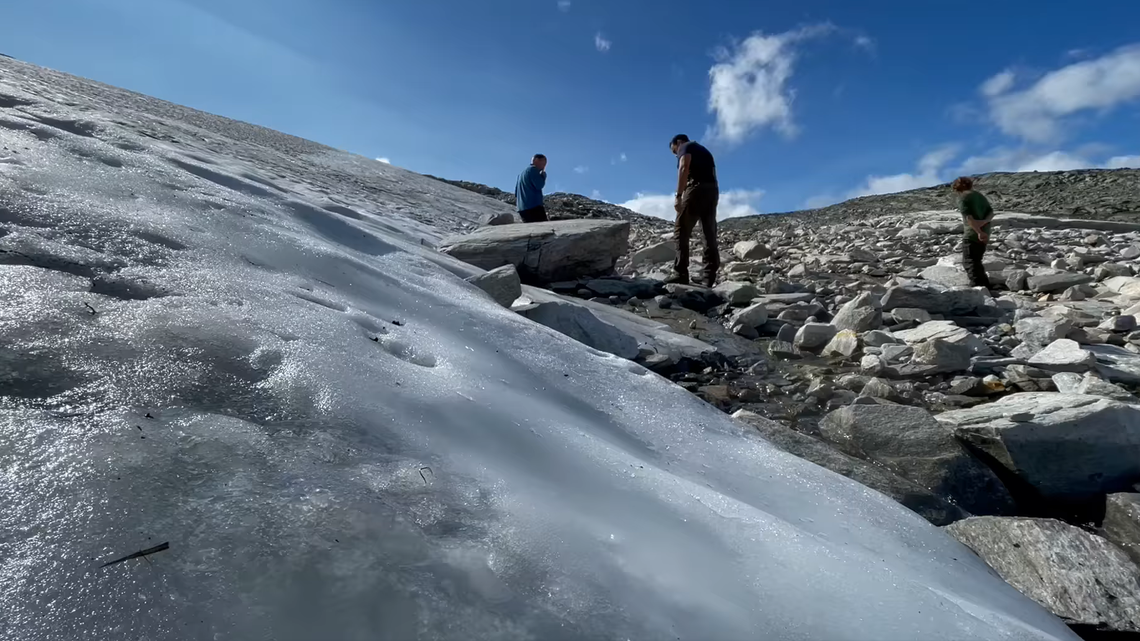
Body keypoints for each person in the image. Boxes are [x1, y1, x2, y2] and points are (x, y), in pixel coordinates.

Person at [666, 134, 720, 287]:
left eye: (674, 151)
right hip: (712, 191)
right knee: (708, 232)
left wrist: (678, 195)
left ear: (678, 142)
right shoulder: (704, 150)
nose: (676, 154)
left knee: (681, 228)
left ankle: (680, 272)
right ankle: (708, 277)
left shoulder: (685, 146)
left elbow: (684, 166)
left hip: (696, 189)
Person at [954, 176, 994, 288]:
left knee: (969, 262)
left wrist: (979, 232)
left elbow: (969, 219)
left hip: (973, 234)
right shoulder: (980, 196)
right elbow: (991, 212)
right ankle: (986, 286)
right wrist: (984, 222)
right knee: (977, 261)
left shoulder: (963, 198)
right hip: (986, 232)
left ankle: (978, 287)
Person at [515, 154, 548, 223]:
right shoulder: (533, 170)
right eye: (544, 162)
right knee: (542, 229)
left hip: (522, 208)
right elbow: (539, 185)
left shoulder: (521, 174)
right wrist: (543, 176)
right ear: (536, 160)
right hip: (533, 206)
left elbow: (516, 193)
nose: (544, 166)